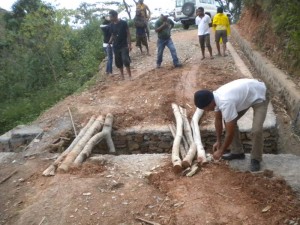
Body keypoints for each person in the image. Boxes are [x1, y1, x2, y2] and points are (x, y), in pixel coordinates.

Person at [194, 78, 269, 172]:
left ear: (211, 103)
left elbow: (230, 132)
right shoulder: (215, 98)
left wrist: (221, 151)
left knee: (256, 130)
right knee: (228, 120)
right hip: (245, 97)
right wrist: (218, 141)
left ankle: (256, 159)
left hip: (260, 95)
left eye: (206, 108)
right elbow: (218, 119)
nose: (207, 111)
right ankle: (237, 152)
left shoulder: (225, 102)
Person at [108, 10, 132, 80]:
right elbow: (112, 35)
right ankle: (122, 75)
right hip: (115, 46)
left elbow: (128, 34)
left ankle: (130, 75)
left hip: (124, 45)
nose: (110, 18)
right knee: (118, 61)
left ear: (115, 16)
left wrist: (129, 44)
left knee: (125, 60)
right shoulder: (111, 25)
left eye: (111, 17)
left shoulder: (124, 23)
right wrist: (109, 42)